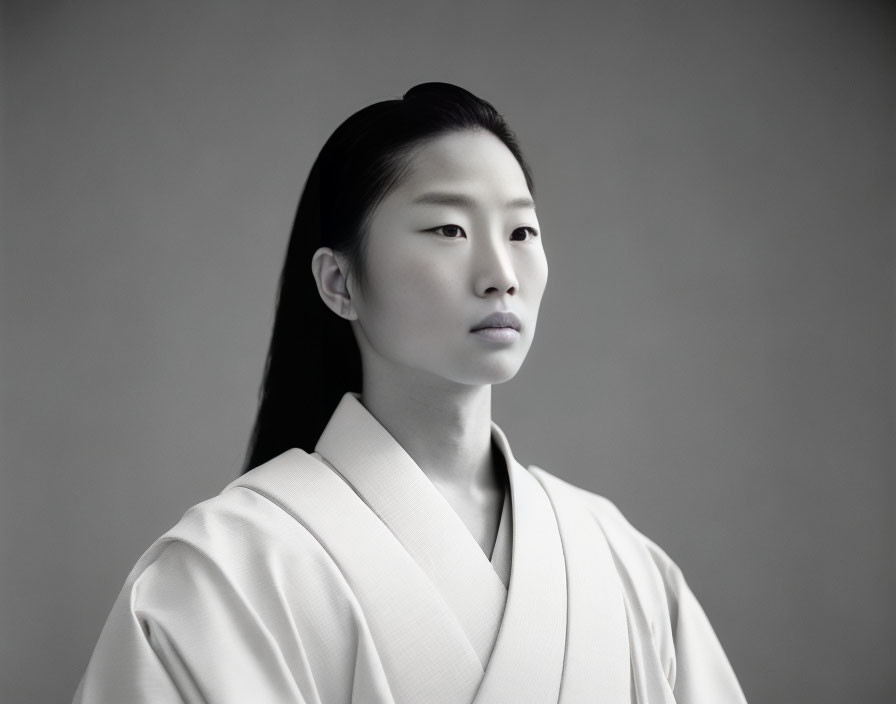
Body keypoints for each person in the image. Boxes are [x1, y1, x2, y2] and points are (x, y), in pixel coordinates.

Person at [74, 83, 748, 703]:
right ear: (340, 282)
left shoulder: (615, 555)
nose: (500, 274)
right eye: (448, 229)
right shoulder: (225, 571)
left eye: (522, 231)